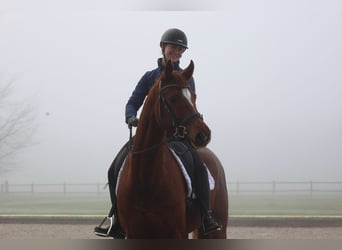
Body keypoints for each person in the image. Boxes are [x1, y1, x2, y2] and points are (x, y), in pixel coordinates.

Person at [94, 28, 222, 238]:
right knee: (114, 167)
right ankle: (116, 218)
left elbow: (189, 106)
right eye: (174, 47)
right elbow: (133, 102)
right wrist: (130, 117)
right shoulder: (150, 77)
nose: (177, 52)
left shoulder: (186, 77)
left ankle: (206, 216)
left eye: (181, 50)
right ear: (163, 47)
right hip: (148, 134)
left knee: (199, 167)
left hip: (176, 136)